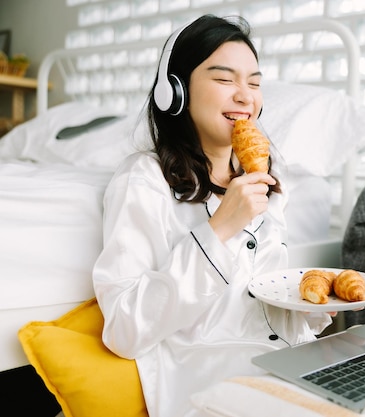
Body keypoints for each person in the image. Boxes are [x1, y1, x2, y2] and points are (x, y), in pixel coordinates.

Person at [92, 15, 334, 417]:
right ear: (176, 90)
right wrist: (219, 228)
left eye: (254, 83)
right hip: (213, 383)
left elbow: (261, 311)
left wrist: (308, 312)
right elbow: (124, 331)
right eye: (225, 80)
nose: (245, 97)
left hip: (290, 366)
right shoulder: (144, 179)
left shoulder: (269, 181)